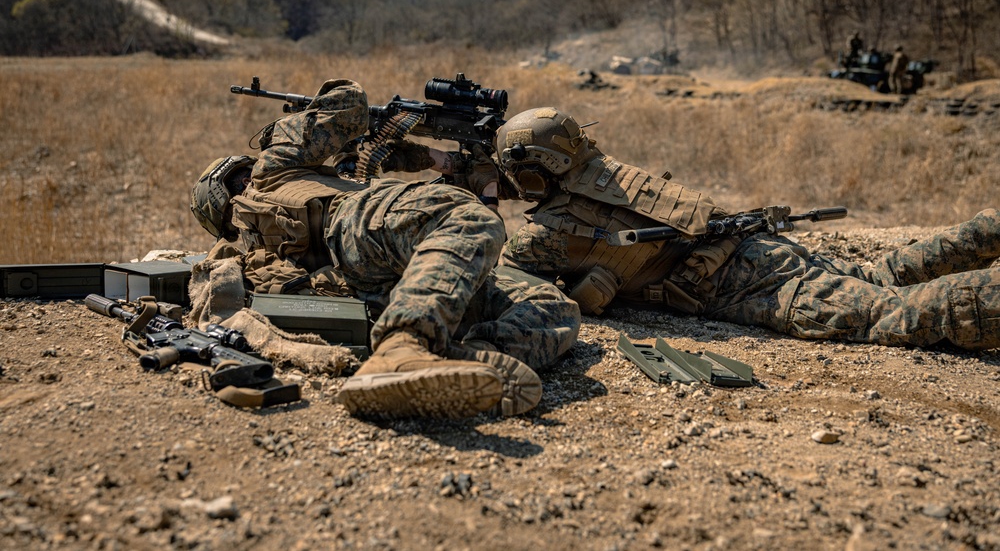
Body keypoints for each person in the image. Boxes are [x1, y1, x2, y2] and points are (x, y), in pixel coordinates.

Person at [190, 80, 580, 420]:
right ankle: (403, 345)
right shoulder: (271, 169)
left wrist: (427, 155)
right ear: (237, 178)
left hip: (376, 280)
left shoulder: (253, 251)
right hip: (350, 225)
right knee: (467, 217)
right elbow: (349, 100)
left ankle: (452, 358)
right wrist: (300, 121)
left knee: (553, 306)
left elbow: (364, 162)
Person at [492, 107, 1000, 352]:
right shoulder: (607, 176)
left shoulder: (543, 236)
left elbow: (511, 281)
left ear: (533, 172)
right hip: (755, 244)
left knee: (888, 315)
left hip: (746, 283)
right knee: (878, 275)